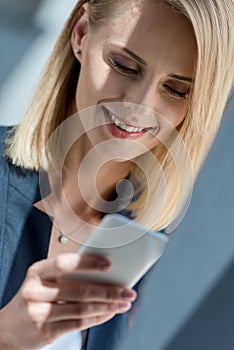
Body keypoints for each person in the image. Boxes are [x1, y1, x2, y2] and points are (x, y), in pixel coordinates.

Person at [0, 0, 233, 349]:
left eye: (176, 89)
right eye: (124, 65)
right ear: (80, 34)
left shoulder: (158, 260)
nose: (139, 106)